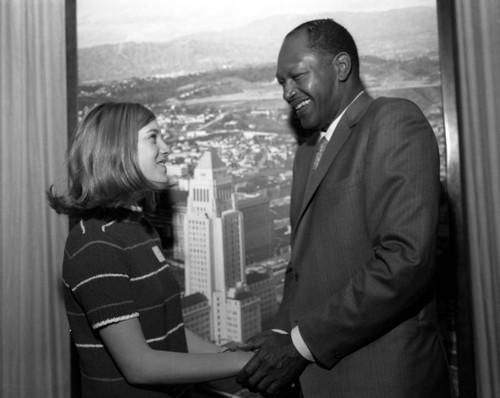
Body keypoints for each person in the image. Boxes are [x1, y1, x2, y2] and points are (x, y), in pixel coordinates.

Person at [236, 19, 454, 397]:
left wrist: (300, 344)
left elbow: (406, 260)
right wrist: (278, 333)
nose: (287, 92)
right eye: (280, 83)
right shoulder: (307, 152)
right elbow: (300, 266)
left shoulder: (393, 120)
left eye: (296, 76)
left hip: (384, 380)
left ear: (340, 67)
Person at [47, 102, 253, 398]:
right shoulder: (95, 245)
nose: (167, 148)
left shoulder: (139, 229)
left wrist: (224, 352)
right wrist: (241, 362)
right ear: (118, 150)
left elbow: (167, 329)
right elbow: (140, 365)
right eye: (154, 137)